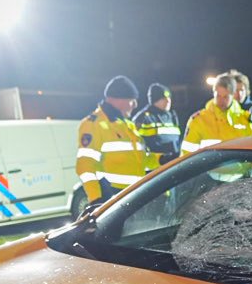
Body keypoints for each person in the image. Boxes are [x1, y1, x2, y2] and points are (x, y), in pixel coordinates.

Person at [75, 75, 146, 208]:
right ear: (119, 100)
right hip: (113, 201)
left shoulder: (127, 125)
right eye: (132, 100)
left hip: (135, 197)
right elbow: (85, 166)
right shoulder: (93, 124)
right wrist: (96, 200)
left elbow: (141, 160)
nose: (135, 105)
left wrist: (162, 160)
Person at [181, 73, 252, 155]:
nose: (221, 100)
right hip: (208, 168)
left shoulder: (245, 119)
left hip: (238, 168)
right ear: (213, 93)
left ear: (233, 95)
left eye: (225, 97)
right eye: (218, 96)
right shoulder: (199, 120)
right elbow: (186, 154)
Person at [133, 83, 182, 169]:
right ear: (155, 100)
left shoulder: (172, 116)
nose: (168, 101)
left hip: (174, 166)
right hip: (155, 169)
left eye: (169, 97)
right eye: (164, 98)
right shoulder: (144, 118)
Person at [226, 69, 252, 134]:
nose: (239, 94)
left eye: (242, 90)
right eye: (236, 90)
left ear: (247, 91)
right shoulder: (223, 107)